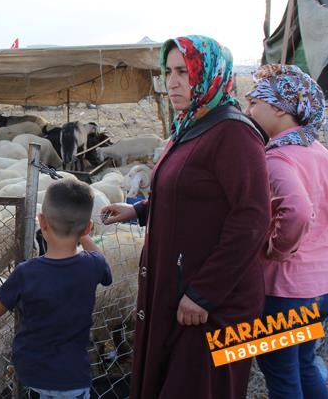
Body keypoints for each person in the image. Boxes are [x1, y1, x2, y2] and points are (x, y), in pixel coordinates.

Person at [100, 35, 271, 398]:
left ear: (209, 74)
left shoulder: (234, 134)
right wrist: (139, 209)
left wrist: (205, 293)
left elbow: (252, 219)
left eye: (184, 71)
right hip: (179, 289)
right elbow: (188, 192)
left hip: (213, 304)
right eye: (169, 72)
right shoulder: (191, 126)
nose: (172, 82)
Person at [245, 64, 328, 399]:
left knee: (282, 376)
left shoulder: (276, 158)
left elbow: (298, 212)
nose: (249, 111)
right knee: (304, 365)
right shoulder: (321, 154)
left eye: (254, 103)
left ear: (279, 108)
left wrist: (276, 250)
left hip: (286, 292)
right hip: (324, 288)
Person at [0, 179, 112, 399]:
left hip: (34, 374)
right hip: (75, 376)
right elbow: (102, 264)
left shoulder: (26, 272)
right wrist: (82, 234)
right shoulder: (93, 265)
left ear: (42, 222)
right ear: (88, 227)